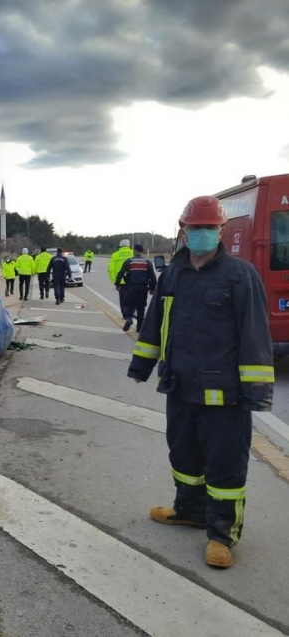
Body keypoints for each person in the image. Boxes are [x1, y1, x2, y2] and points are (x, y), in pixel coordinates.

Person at [127, 195, 273, 569]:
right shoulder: (173, 274)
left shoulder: (240, 275)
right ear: (183, 230)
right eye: (196, 228)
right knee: (184, 455)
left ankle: (222, 534)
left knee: (225, 468)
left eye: (210, 228)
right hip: (179, 386)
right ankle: (189, 510)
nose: (203, 234)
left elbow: (255, 336)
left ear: (221, 231)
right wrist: (141, 365)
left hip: (225, 396)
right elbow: (154, 323)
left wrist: (255, 392)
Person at [114, 243, 156, 332]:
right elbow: (153, 276)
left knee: (128, 304)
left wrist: (117, 284)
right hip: (143, 288)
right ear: (142, 251)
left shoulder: (129, 261)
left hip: (131, 287)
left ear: (135, 250)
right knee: (141, 307)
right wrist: (152, 289)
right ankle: (139, 328)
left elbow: (120, 273)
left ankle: (129, 319)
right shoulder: (147, 262)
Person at [108, 239, 134, 312]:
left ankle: (125, 314)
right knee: (133, 298)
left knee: (123, 299)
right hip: (132, 281)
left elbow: (111, 269)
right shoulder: (133, 253)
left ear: (120, 246)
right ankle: (132, 312)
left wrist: (115, 282)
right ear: (129, 245)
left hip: (120, 282)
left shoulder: (115, 255)